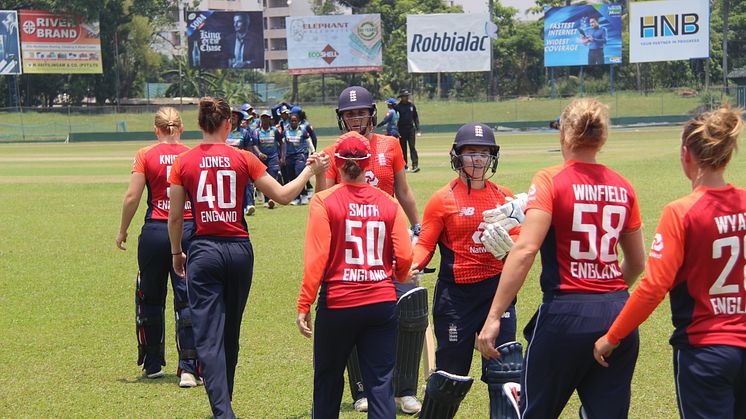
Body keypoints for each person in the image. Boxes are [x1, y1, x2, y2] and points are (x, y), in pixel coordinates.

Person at [476, 98, 647, 419]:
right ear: (602, 138)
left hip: (564, 314)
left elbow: (526, 250)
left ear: (564, 135)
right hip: (617, 315)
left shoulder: (550, 179)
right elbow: (637, 262)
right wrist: (604, 296)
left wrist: (494, 316)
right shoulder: (624, 187)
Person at [167, 96, 328, 418]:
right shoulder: (242, 159)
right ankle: (224, 405)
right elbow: (283, 196)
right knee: (230, 333)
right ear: (229, 124)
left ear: (199, 125)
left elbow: (175, 217)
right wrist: (309, 171)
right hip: (240, 251)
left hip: (205, 250)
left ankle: (223, 411)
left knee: (208, 337)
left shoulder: (183, 162)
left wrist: (176, 251)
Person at [594, 106, 746, 418]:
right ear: (727, 155)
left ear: (685, 155)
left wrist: (612, 336)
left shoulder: (682, 212)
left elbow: (653, 287)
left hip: (705, 352)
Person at [317, 86, 424, 414]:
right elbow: (325, 196)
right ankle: (362, 388)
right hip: (350, 245)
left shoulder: (390, 145)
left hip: (389, 238)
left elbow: (403, 191)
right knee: (354, 311)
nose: (355, 118)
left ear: (372, 115)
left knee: (408, 308)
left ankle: (405, 388)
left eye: (360, 112)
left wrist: (417, 229)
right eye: (349, 113)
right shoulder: (336, 149)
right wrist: (321, 172)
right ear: (341, 117)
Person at [296, 131, 413, 419]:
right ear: (368, 162)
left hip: (339, 302)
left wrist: (304, 302)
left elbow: (316, 259)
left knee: (328, 380)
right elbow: (406, 255)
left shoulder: (324, 201)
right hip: (381, 301)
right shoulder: (388, 202)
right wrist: (395, 274)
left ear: (335, 162)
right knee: (381, 383)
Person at [412, 122, 523, 418]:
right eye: (471, 152)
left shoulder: (505, 197)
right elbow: (425, 245)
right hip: (455, 298)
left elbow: (521, 246)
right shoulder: (442, 199)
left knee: (506, 369)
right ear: (457, 156)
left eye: (484, 153)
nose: (478, 159)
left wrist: (511, 249)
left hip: (496, 293)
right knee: (450, 377)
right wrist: (411, 264)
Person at [115, 107, 201, 388]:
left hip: (154, 231)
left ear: (156, 129)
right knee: (187, 299)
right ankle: (188, 368)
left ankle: (152, 364)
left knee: (149, 298)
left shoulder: (145, 154)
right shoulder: (192, 154)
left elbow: (132, 197)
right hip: (187, 230)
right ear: (181, 128)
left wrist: (123, 230)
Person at [251, 110, 284, 209]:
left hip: (273, 157)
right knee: (264, 179)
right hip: (262, 158)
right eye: (263, 117)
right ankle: (266, 200)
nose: (265, 120)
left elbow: (282, 143)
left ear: (270, 119)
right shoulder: (256, 132)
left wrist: (282, 157)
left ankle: (271, 199)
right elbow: (255, 145)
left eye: (267, 118)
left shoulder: (274, 131)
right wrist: (259, 153)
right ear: (261, 119)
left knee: (273, 176)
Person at [226, 108, 256, 216]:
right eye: (231, 115)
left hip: (241, 164)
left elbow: (249, 149)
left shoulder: (244, 133)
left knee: (246, 183)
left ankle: (249, 204)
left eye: (235, 115)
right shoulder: (222, 132)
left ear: (238, 118)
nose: (233, 117)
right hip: (225, 165)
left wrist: (250, 163)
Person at [283, 113, 314, 205]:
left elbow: (309, 142)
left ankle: (304, 195)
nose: (293, 122)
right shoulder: (286, 131)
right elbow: (283, 144)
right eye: (292, 121)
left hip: (300, 155)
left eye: (295, 121)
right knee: (292, 178)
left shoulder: (302, 130)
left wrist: (313, 151)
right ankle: (296, 198)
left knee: (298, 174)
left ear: (298, 121)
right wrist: (283, 156)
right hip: (289, 156)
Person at [395, 89, 421, 172]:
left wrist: (418, 129)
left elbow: (415, 117)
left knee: (412, 147)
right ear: (401, 97)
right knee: (403, 148)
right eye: (404, 96)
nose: (405, 98)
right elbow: (395, 119)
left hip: (410, 129)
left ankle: (415, 165)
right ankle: (404, 166)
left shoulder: (411, 106)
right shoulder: (398, 107)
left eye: (406, 96)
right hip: (401, 129)